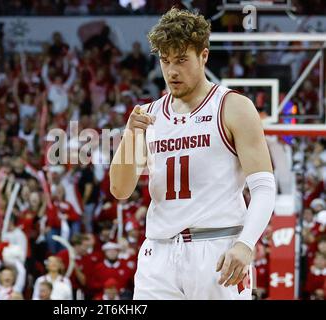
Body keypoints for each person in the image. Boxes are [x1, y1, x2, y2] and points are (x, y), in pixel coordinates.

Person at [109, 7, 275, 300]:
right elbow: (120, 190)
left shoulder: (233, 107)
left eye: (182, 60)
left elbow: (263, 187)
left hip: (218, 248)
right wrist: (130, 135)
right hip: (158, 252)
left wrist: (246, 243)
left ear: (204, 56)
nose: (172, 71)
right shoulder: (147, 115)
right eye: (165, 60)